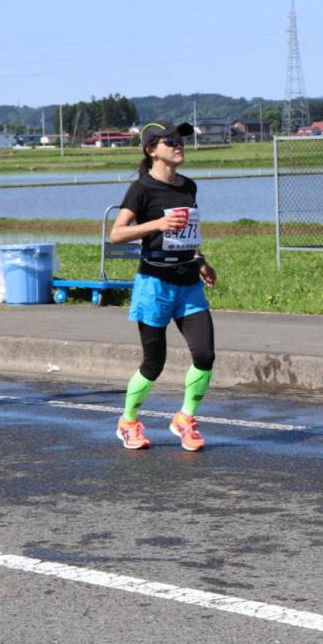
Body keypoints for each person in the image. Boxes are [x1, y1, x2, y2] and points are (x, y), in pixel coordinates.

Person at [109, 121, 216, 453]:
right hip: (154, 284)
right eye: (170, 141)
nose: (178, 145)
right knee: (154, 363)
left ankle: (185, 418)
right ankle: (128, 421)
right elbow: (116, 234)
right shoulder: (141, 189)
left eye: (181, 140)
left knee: (205, 354)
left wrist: (200, 260)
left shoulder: (189, 186)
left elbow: (188, 232)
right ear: (152, 149)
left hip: (187, 283)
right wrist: (155, 223)